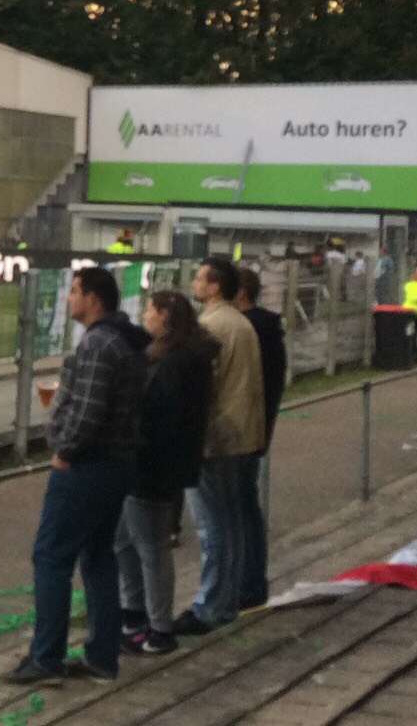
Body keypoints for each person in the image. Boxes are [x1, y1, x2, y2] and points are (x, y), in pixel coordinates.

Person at [5, 266, 146, 686]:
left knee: (51, 557)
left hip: (88, 466)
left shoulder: (100, 344)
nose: (68, 299)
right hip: (115, 465)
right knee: (99, 557)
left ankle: (46, 658)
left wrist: (65, 451)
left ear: (93, 298)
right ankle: (102, 657)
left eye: (74, 292)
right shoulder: (123, 340)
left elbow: (87, 413)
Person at [116, 291, 215, 655]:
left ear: (166, 316)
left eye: (150, 310)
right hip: (151, 463)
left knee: (151, 545)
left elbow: (165, 418)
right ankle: (135, 616)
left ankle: (158, 628)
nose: (144, 315)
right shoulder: (170, 356)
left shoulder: (178, 362)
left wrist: (138, 445)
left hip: (154, 466)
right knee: (125, 540)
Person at [175, 258, 264, 635]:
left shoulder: (210, 326)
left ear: (214, 287)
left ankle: (211, 605)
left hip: (215, 441)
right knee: (232, 523)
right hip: (243, 436)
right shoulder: (241, 323)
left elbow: (200, 387)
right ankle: (229, 599)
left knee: (214, 528)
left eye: (199, 278)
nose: (194, 283)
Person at [233, 266, 287, 610]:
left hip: (241, 434)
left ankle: (247, 584)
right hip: (253, 431)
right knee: (245, 508)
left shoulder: (249, 329)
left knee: (237, 510)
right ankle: (251, 583)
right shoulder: (266, 329)